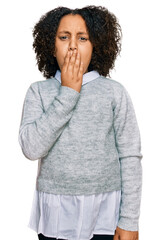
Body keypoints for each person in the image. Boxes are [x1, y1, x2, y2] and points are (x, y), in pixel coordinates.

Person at [18, 5, 143, 240]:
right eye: (64, 37)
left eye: (82, 38)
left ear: (96, 45)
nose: (73, 45)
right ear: (51, 45)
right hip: (55, 215)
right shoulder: (39, 92)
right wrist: (68, 92)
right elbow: (31, 148)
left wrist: (129, 220)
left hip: (105, 215)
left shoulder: (114, 93)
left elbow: (130, 157)